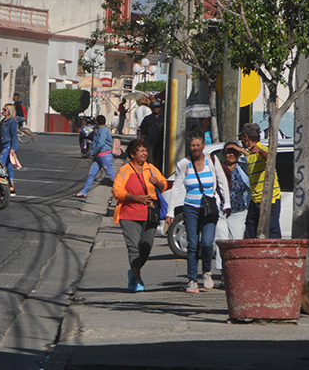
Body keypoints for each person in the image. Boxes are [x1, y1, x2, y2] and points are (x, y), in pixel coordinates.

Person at [167, 129, 230, 293]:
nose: (195, 148)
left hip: (209, 209)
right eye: (192, 145)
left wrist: (227, 203)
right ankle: (192, 279)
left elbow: (222, 182)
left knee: (207, 243)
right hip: (191, 208)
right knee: (193, 244)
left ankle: (207, 272)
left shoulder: (212, 161)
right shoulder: (183, 164)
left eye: (197, 145)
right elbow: (176, 188)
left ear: (203, 145)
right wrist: (170, 212)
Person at [112, 138, 167, 292]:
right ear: (132, 154)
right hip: (128, 214)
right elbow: (117, 191)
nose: (145, 153)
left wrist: (158, 183)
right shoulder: (124, 171)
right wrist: (135, 198)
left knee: (146, 247)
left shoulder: (151, 169)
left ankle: (133, 270)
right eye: (141, 150)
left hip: (149, 214)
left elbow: (163, 185)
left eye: (145, 150)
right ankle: (138, 280)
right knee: (134, 248)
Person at [213, 141, 251, 271]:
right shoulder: (218, 168)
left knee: (236, 242)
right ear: (223, 154)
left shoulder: (243, 168)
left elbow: (252, 160)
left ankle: (234, 270)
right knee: (221, 240)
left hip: (239, 212)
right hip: (221, 212)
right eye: (228, 152)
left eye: (234, 152)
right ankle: (223, 270)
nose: (231, 154)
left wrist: (240, 149)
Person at [240, 122, 282, 239]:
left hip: (270, 198)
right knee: (250, 227)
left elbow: (269, 158)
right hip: (255, 199)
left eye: (243, 137)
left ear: (246, 137)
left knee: (272, 228)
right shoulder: (250, 153)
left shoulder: (261, 149)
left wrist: (260, 152)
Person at [75, 114, 115, 197]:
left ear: (97, 122)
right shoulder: (100, 130)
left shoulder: (103, 131)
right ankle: (84, 191)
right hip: (98, 156)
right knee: (91, 174)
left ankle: (124, 189)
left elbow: (100, 144)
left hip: (104, 156)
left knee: (111, 175)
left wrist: (92, 153)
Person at [0, 104, 19, 195]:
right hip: (2, 145)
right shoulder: (2, 121)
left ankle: (2, 185)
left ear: (9, 112)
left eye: (5, 110)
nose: (3, 111)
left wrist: (12, 148)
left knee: (0, 163)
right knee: (8, 166)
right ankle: (11, 187)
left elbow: (14, 135)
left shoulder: (12, 122)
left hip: (9, 144)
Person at [138, 100, 164, 166]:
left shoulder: (164, 118)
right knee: (150, 161)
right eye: (155, 107)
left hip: (161, 143)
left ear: (160, 108)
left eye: (158, 107)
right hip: (150, 143)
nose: (156, 109)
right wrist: (140, 141)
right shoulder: (147, 118)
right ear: (152, 108)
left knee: (159, 161)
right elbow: (143, 131)